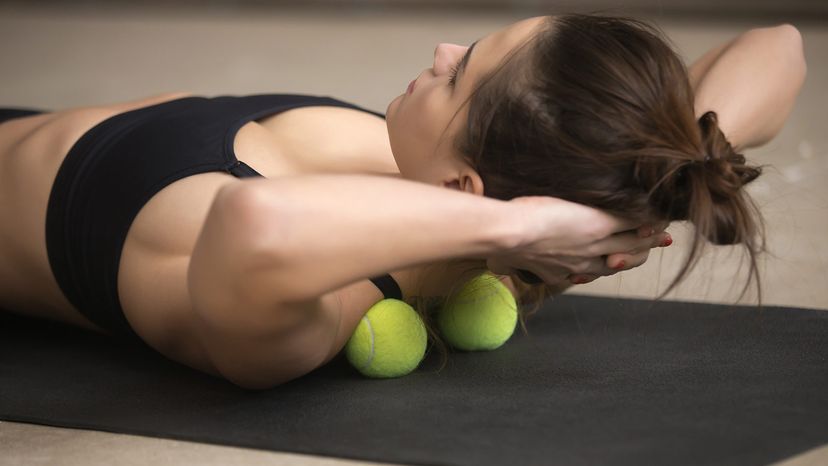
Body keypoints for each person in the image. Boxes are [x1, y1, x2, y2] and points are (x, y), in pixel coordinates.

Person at [0, 14, 805, 389]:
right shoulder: (435, 169)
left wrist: (527, 226)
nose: (442, 51)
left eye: (460, 75)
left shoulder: (331, 304)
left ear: (466, 191)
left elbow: (255, 223)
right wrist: (667, 163)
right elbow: (779, 44)